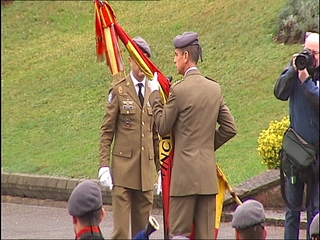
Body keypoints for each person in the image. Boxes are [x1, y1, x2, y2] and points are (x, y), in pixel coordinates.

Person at [148, 31, 237, 239]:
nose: (174, 59)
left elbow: (162, 126)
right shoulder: (214, 88)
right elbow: (230, 128)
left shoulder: (179, 91)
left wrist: (154, 95)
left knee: (179, 235)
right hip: (206, 179)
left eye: (176, 55)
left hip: (183, 180)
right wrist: (206, 146)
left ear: (186, 56)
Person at [98, 36, 160, 239]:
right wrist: (104, 166)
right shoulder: (119, 89)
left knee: (143, 234)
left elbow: (157, 136)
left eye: (145, 59)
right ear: (131, 60)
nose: (141, 64)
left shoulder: (154, 91)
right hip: (123, 173)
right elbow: (107, 131)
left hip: (146, 175)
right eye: (137, 58)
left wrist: (161, 171)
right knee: (121, 234)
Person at [274, 32, 319, 240]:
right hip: (296, 155)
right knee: (292, 210)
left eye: (315, 53)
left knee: (315, 210)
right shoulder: (295, 70)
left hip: (317, 157)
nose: (311, 57)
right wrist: (293, 71)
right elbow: (279, 93)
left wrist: (307, 81)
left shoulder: (312, 79)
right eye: (308, 52)